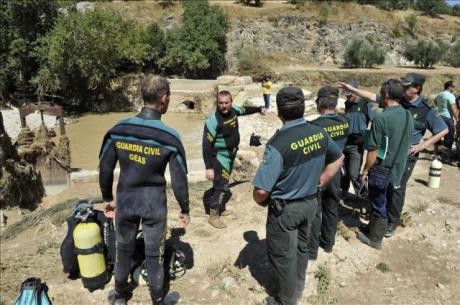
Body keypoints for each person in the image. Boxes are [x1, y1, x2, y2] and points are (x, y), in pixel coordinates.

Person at [99, 75, 191, 305]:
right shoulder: (170, 137)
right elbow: (179, 181)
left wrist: (107, 198)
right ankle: (158, 299)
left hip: (126, 200)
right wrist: (185, 208)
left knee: (123, 249)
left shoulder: (118, 130)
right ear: (164, 99)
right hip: (153, 204)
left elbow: (105, 168)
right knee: (154, 253)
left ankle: (120, 295)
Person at [252, 86, 344, 305]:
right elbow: (338, 158)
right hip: (311, 203)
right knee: (302, 248)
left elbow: (261, 192)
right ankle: (298, 288)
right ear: (303, 108)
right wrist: (321, 180)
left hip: (286, 210)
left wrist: (259, 200)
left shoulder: (278, 143)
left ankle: (287, 300)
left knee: (283, 257)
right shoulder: (318, 132)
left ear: (279, 111)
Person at [338, 73, 448, 238]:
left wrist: (422, 145)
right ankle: (379, 218)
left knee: (397, 188)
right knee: (382, 186)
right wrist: (352, 89)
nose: (402, 89)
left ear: (417, 88)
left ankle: (392, 222)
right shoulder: (398, 100)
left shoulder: (426, 109)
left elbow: (444, 130)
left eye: (406, 87)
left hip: (406, 155)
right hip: (388, 153)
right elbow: (373, 97)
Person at [354, 80, 413, 249]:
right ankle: (373, 229)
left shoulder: (381, 118)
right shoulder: (407, 114)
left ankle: (375, 239)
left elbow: (374, 151)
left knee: (378, 203)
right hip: (397, 168)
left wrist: (365, 170)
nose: (379, 96)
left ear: (386, 95)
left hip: (381, 169)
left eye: (380, 92)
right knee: (384, 200)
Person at [203, 90, 265, 229]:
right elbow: (206, 146)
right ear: (217, 103)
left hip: (231, 154)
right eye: (221, 103)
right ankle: (213, 216)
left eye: (226, 102)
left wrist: (258, 109)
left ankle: (220, 207)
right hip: (220, 156)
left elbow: (245, 109)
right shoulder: (213, 121)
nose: (224, 106)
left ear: (231, 102)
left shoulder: (234, 110)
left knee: (222, 183)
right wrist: (209, 167)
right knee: (221, 185)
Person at [307, 86, 350, 259]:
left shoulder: (314, 125)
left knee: (315, 211)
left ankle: (312, 251)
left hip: (318, 174)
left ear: (319, 103)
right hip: (336, 173)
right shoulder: (344, 121)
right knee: (332, 208)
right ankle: (328, 243)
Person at [341, 80, 377, 196]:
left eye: (350, 95)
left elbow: (376, 123)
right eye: (346, 95)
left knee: (354, 173)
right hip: (345, 141)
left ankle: (363, 196)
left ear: (355, 91)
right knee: (344, 172)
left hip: (357, 143)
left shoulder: (366, 103)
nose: (348, 98)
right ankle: (344, 194)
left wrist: (364, 138)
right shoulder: (347, 104)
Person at [434, 81, 458, 152]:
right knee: (449, 133)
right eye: (453, 86)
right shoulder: (450, 95)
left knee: (438, 133)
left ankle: (435, 151)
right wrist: (457, 119)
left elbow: (435, 100)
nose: (454, 88)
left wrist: (440, 107)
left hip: (439, 116)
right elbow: (454, 108)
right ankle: (448, 152)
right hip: (447, 117)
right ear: (449, 87)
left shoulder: (440, 94)